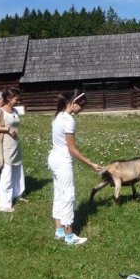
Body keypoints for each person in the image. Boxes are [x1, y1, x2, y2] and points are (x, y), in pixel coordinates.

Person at [47, 90, 103, 245]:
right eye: (82, 105)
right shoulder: (68, 120)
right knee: (68, 197)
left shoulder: (58, 116)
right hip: (62, 161)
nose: (83, 109)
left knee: (59, 194)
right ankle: (70, 236)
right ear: (72, 103)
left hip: (54, 158)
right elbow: (72, 149)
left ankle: (59, 231)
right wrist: (90, 163)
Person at [0, 87, 25, 213]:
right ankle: (4, 205)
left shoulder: (15, 110)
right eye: (16, 98)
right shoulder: (0, 112)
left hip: (15, 144)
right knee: (7, 174)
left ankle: (17, 194)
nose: (18, 101)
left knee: (17, 170)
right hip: (5, 145)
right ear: (9, 98)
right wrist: (7, 129)